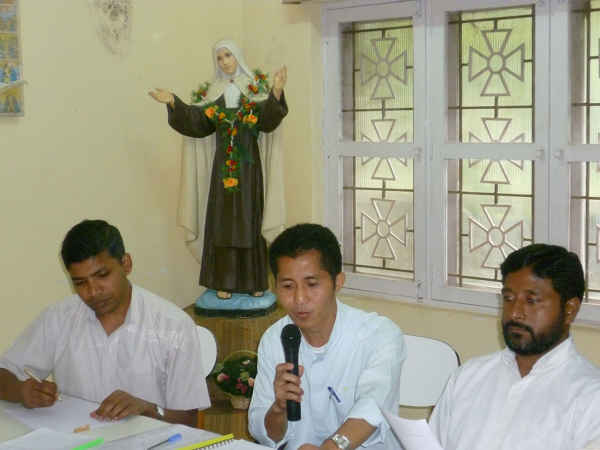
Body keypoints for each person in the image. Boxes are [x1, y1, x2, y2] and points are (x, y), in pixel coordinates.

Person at [0, 219, 210, 426]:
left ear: (126, 264)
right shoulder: (59, 318)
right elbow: (4, 372)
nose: (92, 291)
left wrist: (148, 408)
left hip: (149, 441)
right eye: (80, 283)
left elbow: (189, 420)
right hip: (78, 438)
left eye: (102, 275)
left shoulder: (173, 325)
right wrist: (21, 391)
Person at [149, 40, 288, 300]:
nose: (224, 62)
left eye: (228, 55)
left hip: (249, 168)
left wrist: (277, 91)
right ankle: (224, 281)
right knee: (224, 222)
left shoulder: (253, 90)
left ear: (237, 57)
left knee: (250, 220)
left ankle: (254, 281)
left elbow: (268, 120)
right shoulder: (215, 93)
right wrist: (173, 102)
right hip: (223, 168)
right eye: (220, 58)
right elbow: (198, 122)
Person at [248, 223, 406, 450]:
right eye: (288, 286)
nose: (300, 298)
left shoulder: (379, 335)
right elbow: (266, 435)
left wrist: (331, 448)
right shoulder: (275, 338)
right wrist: (278, 408)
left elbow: (372, 408)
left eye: (312, 284)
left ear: (338, 282)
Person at [429, 244, 600, 450]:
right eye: (508, 299)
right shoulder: (467, 377)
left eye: (531, 301)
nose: (515, 313)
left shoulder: (591, 398)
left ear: (570, 309)